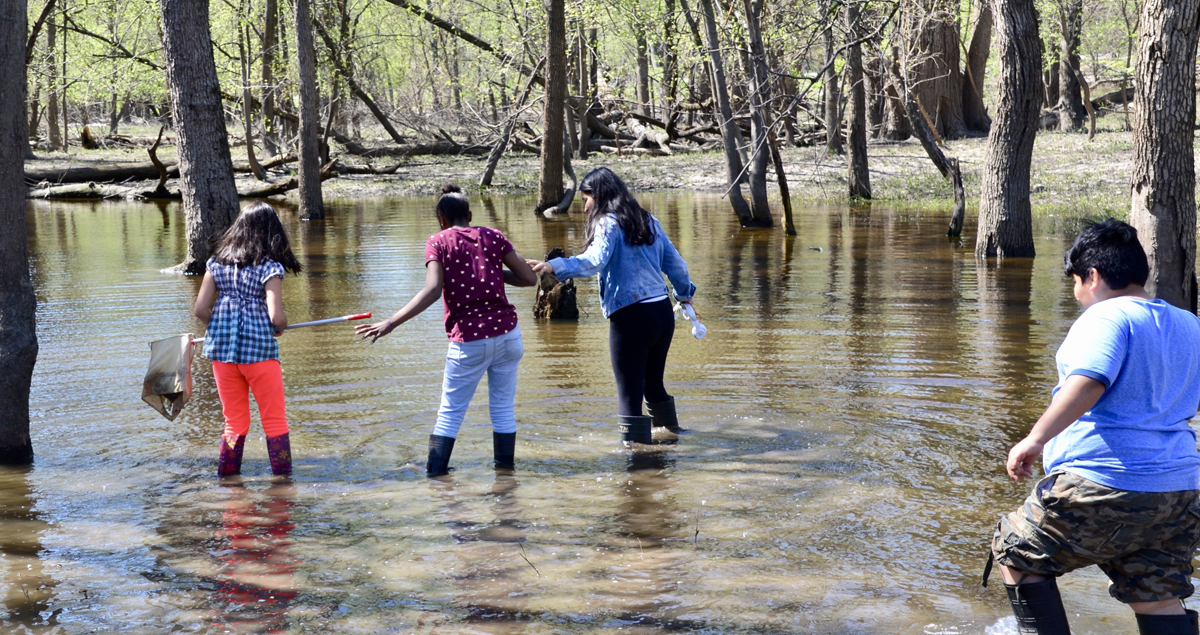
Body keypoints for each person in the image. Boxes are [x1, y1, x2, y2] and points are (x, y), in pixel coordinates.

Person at [988, 220, 1200, 635]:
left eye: (1075, 284)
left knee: (1015, 550)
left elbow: (1088, 381)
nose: (1076, 295)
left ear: (1094, 276)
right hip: (1178, 488)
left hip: (1105, 480)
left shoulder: (1104, 317)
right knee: (1155, 594)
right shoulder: (1190, 324)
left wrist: (1035, 438)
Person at [356, 184, 537, 476]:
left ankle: (435, 480)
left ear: (441, 218)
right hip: (508, 336)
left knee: (450, 414)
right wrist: (490, 269)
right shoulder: (493, 236)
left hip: (469, 341)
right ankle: (506, 479)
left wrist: (391, 322)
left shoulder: (438, 241)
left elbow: (432, 290)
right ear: (470, 214)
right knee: (503, 411)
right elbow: (529, 278)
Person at [527, 167, 696, 445]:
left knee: (629, 394)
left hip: (632, 316)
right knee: (653, 386)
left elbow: (594, 260)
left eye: (585, 200)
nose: (584, 209)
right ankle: (671, 444)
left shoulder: (607, 222)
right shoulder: (648, 220)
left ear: (599, 195)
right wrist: (684, 294)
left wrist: (554, 266)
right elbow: (675, 264)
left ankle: (637, 468)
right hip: (662, 314)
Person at [193, 202, 303, 477]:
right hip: (259, 355)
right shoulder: (268, 267)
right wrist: (280, 326)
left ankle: (228, 480)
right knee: (274, 420)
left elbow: (200, 310)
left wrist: (220, 327)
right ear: (270, 232)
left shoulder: (216, 263)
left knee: (234, 422)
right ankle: (283, 481)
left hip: (222, 355)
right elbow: (276, 317)